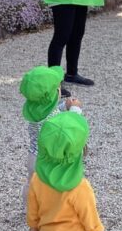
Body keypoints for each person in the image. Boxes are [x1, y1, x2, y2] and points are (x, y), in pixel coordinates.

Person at [20, 65, 82, 206]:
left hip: (33, 156)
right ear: (55, 93)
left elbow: (51, 111)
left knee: (32, 183)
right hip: (48, 159)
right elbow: (69, 127)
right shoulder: (53, 121)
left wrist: (63, 106)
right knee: (50, 186)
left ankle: (28, 206)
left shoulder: (35, 110)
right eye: (58, 87)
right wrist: (75, 110)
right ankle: (50, 208)